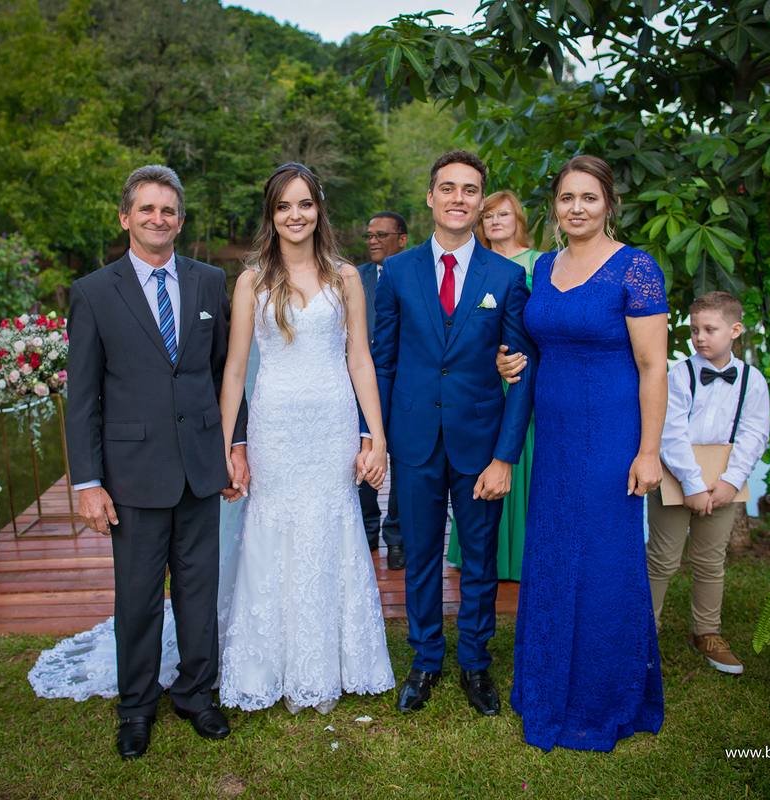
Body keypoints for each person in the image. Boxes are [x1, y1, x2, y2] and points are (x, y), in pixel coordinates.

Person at [64, 164, 249, 760]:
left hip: (200, 466)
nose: (157, 218)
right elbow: (82, 397)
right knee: (138, 597)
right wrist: (88, 483)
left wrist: (234, 447)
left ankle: (196, 694)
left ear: (181, 220)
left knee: (199, 589)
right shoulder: (94, 292)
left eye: (168, 210)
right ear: (126, 217)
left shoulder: (208, 281)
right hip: (133, 473)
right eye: (146, 208)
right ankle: (137, 706)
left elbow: (226, 375)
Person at [217, 163, 395, 714]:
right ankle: (267, 665)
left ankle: (328, 664)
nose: (295, 215)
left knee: (330, 528)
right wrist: (225, 447)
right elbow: (234, 369)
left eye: (305, 204)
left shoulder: (346, 277)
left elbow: (360, 359)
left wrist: (376, 437)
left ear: (319, 209)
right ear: (271, 215)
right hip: (275, 427)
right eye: (284, 206)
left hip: (332, 425)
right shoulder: (251, 281)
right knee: (275, 530)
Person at [507, 155, 667, 752]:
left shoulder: (636, 268)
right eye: (567, 197)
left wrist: (648, 451)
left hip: (610, 434)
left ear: (609, 205)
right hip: (553, 435)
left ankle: (603, 697)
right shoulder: (543, 266)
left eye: (589, 197)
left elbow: (653, 368)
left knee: (602, 557)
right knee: (552, 550)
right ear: (554, 206)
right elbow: (535, 345)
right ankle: (547, 684)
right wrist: (508, 360)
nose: (577, 208)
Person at [372, 150, 538, 717]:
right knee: (419, 556)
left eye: (470, 189)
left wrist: (506, 456)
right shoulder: (397, 272)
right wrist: (379, 437)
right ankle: (424, 660)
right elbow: (384, 361)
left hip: (480, 441)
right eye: (448, 188)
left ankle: (475, 662)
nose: (458, 198)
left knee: (480, 560)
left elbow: (521, 371)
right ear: (430, 197)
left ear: (480, 200)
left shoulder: (507, 277)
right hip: (414, 440)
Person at [645, 291, 770, 676]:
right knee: (662, 558)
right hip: (675, 476)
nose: (700, 337)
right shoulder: (678, 375)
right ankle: (643, 632)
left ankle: (707, 632)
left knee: (711, 560)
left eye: (710, 329)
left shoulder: (752, 380)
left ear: (735, 330)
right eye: (695, 329)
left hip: (723, 481)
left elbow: (754, 434)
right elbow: (670, 432)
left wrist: (732, 481)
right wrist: (693, 485)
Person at [448, 190, 541, 581]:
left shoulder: (541, 263)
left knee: (520, 457)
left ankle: (520, 556)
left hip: (524, 375)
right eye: (488, 216)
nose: (495, 222)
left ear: (518, 219)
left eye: (503, 214)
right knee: (479, 459)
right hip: (483, 379)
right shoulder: (475, 265)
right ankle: (481, 555)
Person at [356, 211, 409, 570]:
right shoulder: (351, 277)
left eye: (382, 235)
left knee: (403, 463)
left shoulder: (413, 273)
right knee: (361, 457)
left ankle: (397, 538)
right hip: (359, 384)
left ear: (402, 239)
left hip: (404, 382)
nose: (373, 241)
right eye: (370, 235)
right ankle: (366, 530)